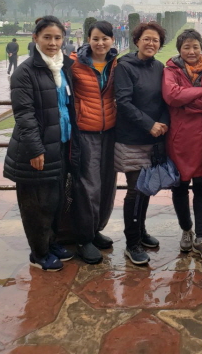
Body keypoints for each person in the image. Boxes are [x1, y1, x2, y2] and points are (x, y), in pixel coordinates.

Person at [3, 16, 78, 271]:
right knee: (36, 205)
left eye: (57, 38)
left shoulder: (61, 67)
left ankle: (51, 243)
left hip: (59, 145)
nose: (53, 42)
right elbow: (24, 114)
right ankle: (39, 254)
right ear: (35, 38)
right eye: (47, 37)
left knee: (54, 201)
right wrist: (36, 149)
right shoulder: (26, 72)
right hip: (35, 150)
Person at [162, 28, 202, 263]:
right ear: (179, 49)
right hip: (180, 139)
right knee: (179, 186)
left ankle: (201, 237)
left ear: (201, 48)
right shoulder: (171, 70)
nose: (191, 51)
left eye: (195, 46)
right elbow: (171, 96)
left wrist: (188, 102)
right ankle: (186, 229)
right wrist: (200, 92)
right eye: (186, 47)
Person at [114, 21, 168, 265]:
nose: (151, 43)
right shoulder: (125, 66)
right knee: (135, 191)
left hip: (153, 138)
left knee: (145, 188)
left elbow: (165, 100)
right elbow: (123, 102)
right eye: (146, 39)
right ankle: (131, 243)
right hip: (132, 139)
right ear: (137, 40)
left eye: (155, 40)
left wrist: (163, 124)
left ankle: (140, 230)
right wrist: (149, 124)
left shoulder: (159, 66)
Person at [70, 21, 118, 264]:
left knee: (106, 184)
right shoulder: (74, 64)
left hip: (109, 131)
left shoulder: (117, 64)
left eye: (105, 38)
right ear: (88, 39)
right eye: (96, 38)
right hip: (85, 132)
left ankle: (96, 229)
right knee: (88, 186)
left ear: (112, 40)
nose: (100, 43)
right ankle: (83, 238)